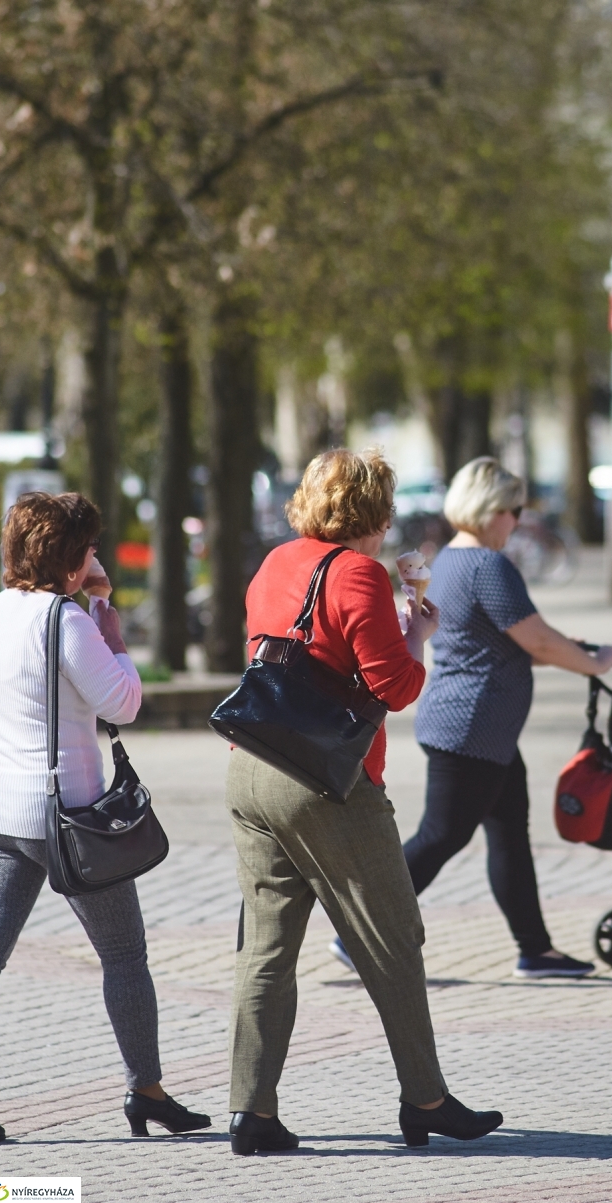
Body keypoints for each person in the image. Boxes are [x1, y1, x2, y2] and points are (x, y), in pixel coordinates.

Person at [226, 448, 502, 1155]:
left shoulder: (275, 562)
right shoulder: (359, 574)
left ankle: (251, 1110)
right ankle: (427, 1098)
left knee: (266, 948)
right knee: (395, 938)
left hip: (250, 769)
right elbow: (396, 688)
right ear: (373, 514)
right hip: (326, 785)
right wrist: (419, 632)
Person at [333, 457, 612, 981]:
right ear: (491, 511)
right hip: (473, 727)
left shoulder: (449, 561)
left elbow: (503, 642)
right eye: (514, 509)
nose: (518, 520)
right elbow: (534, 638)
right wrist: (595, 663)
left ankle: (536, 949)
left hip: (481, 728)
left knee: (509, 833)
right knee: (442, 834)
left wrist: (572, 649)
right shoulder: (489, 566)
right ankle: (359, 933)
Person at [0, 492, 209, 1144]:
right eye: (91, 546)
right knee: (124, 955)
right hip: (68, 817)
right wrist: (107, 617)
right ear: (75, 556)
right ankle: (147, 1088)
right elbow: (125, 701)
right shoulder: (67, 622)